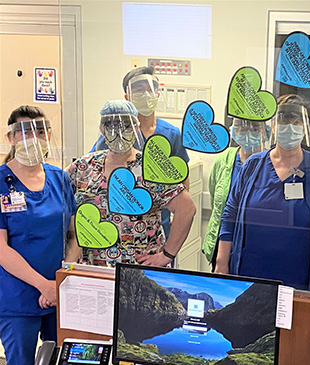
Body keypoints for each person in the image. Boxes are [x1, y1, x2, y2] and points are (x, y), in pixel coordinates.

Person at [215, 95, 310, 293]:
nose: (289, 126)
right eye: (283, 119)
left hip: (300, 282)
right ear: (273, 125)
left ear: (305, 127)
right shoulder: (252, 166)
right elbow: (229, 217)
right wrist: (221, 265)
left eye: (296, 120)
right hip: (249, 277)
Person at [66, 101, 195, 267]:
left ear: (136, 128)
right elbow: (58, 200)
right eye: (110, 125)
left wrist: (167, 255)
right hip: (93, 269)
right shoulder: (84, 167)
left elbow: (186, 208)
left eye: (126, 125)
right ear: (101, 129)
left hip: (140, 267)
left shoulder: (152, 167)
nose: (119, 132)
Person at [0, 106, 76, 365]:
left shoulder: (60, 179)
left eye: (40, 131)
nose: (33, 138)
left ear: (49, 135)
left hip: (59, 291)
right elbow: (1, 249)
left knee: (63, 358)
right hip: (18, 297)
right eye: (23, 131)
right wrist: (43, 285)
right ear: (10, 138)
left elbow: (74, 235)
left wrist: (60, 281)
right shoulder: (1, 183)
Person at [90, 67, 190, 240]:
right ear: (127, 97)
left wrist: (177, 214)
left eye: (150, 89)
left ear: (158, 94)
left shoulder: (171, 134)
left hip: (159, 220)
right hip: (120, 220)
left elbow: (182, 175)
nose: (146, 94)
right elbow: (95, 168)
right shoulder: (117, 134)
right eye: (138, 90)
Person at [203, 118, 271, 268]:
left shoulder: (272, 165)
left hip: (257, 250)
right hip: (222, 248)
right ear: (233, 130)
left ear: (266, 133)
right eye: (241, 126)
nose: (247, 131)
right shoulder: (223, 160)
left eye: (255, 128)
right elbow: (217, 203)